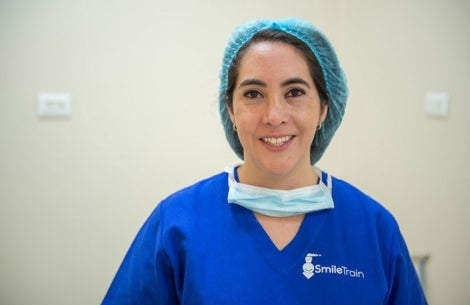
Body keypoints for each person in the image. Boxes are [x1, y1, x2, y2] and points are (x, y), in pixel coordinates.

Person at [102, 18, 428, 304]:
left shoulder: (373, 228)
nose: (274, 116)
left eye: (295, 92)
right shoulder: (176, 224)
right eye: (253, 94)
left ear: (324, 109)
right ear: (230, 110)